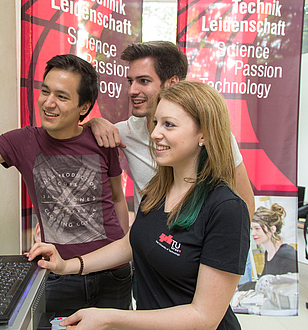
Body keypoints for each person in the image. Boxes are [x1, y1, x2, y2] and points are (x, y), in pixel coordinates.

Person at [28, 80, 250, 329]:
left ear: (204, 134)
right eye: (156, 122)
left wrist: (109, 318)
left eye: (169, 125)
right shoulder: (159, 187)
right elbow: (131, 244)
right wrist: (68, 265)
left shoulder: (227, 209)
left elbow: (204, 317)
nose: (155, 133)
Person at [0, 54, 131, 316]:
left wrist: (124, 254)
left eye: (62, 96)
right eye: (45, 91)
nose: (48, 103)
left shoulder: (101, 139)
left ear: (84, 106)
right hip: (58, 275)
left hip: (113, 276)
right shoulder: (22, 142)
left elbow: (117, 199)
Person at [86, 41, 255, 218]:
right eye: (130, 81)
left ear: (172, 83)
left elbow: (245, 204)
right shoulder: (124, 132)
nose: (132, 90)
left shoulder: (214, 137)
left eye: (144, 81)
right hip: (146, 240)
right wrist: (95, 122)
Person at [251, 203, 297, 276]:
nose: (252, 233)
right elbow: (264, 280)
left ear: (272, 229)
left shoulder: (288, 254)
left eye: (257, 228)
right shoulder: (268, 253)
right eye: (251, 229)